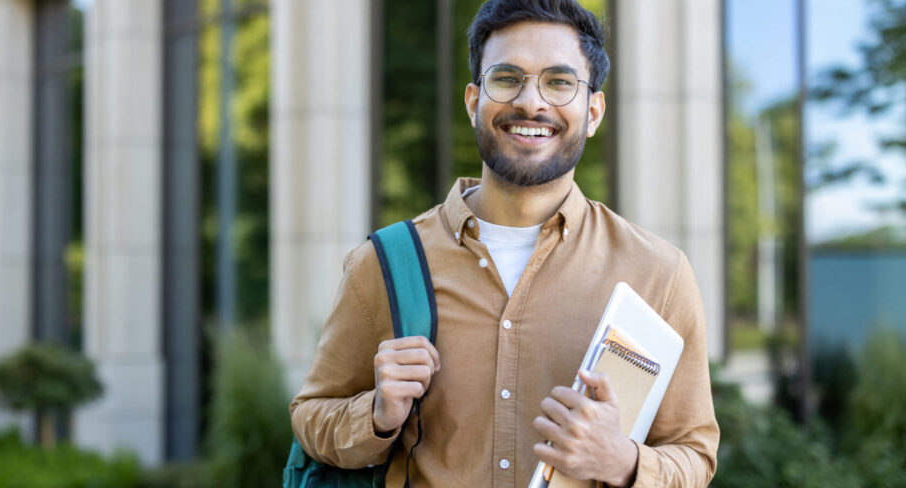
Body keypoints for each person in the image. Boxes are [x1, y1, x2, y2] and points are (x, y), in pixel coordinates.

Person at [289, 0, 719, 486]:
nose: (531, 103)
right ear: (474, 102)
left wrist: (623, 461)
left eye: (559, 82)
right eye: (506, 78)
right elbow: (310, 417)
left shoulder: (658, 273)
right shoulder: (383, 264)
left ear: (593, 111)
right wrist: (376, 413)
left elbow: (695, 455)